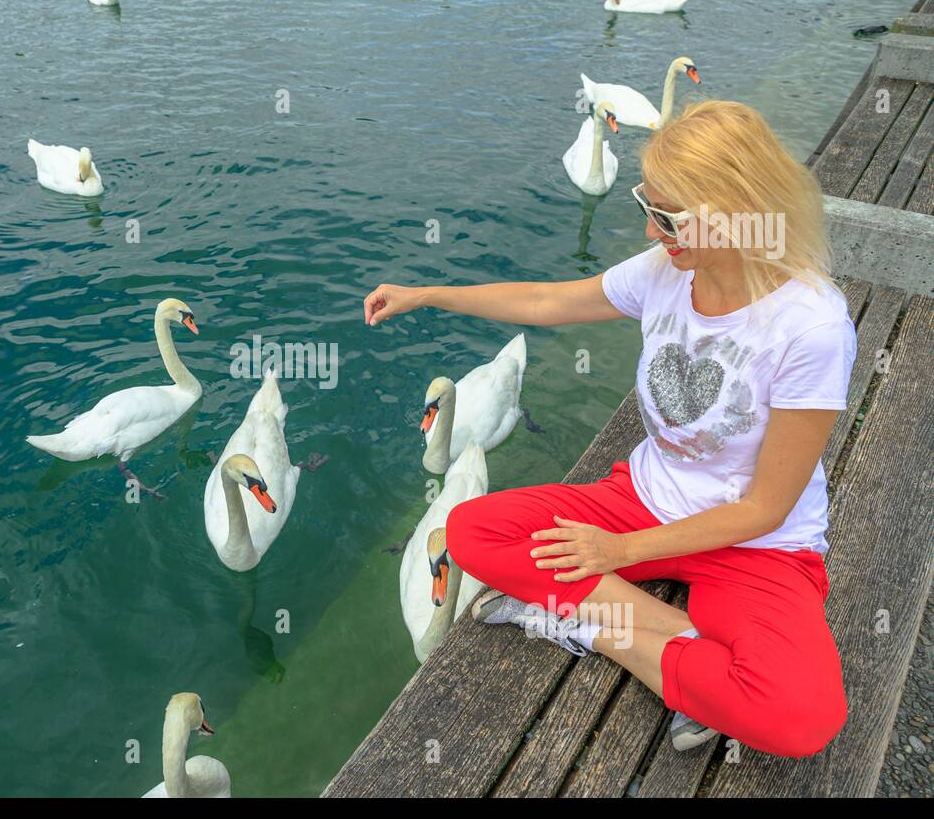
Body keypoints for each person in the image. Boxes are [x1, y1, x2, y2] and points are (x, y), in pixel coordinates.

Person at [362, 100, 855, 757]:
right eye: (646, 208)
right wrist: (427, 294)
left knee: (804, 720)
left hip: (756, 543)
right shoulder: (666, 273)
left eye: (667, 218)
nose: (652, 233)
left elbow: (766, 507)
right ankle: (688, 654)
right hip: (643, 498)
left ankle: (588, 627)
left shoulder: (812, 325)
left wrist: (621, 554)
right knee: (470, 532)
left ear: (734, 211)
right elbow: (547, 300)